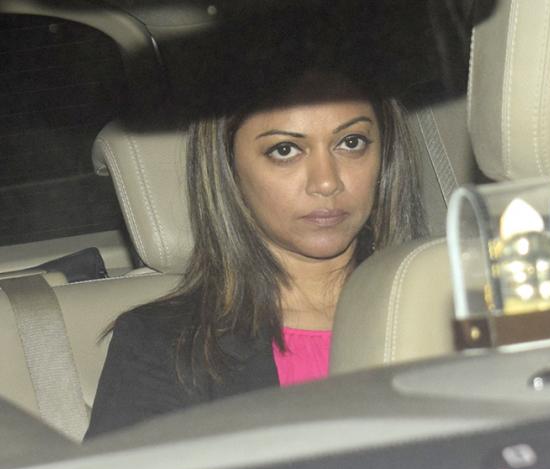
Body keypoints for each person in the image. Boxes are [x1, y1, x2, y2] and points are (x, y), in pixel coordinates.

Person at [85, 70, 427, 438]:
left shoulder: (453, 301)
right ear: (228, 168)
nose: (327, 181)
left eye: (351, 142)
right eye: (285, 150)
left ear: (385, 154)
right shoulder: (164, 345)